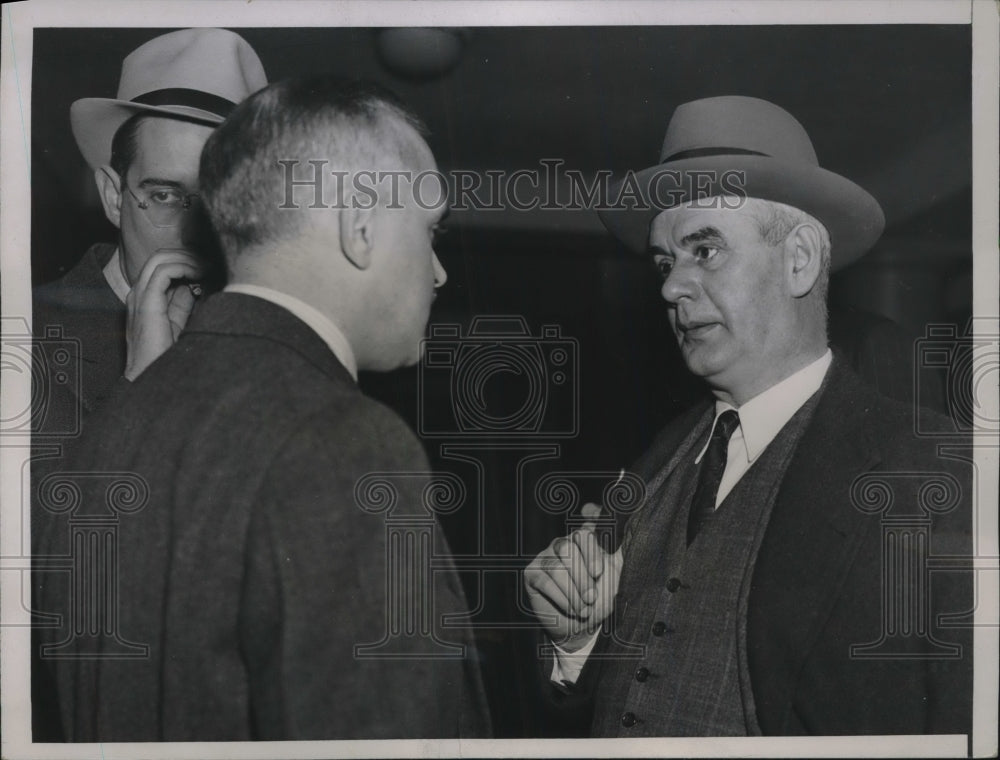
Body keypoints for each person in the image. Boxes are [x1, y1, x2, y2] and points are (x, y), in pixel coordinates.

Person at [34, 75, 491, 742]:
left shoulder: (111, 429)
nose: (440, 272)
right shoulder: (343, 439)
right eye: (429, 231)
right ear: (360, 226)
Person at [524, 96, 972, 737]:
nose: (670, 287)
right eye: (663, 262)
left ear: (800, 261)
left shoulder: (931, 471)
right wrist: (579, 642)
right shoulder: (659, 461)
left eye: (704, 251)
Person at [32, 28, 267, 432]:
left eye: (218, 201)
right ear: (112, 196)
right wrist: (142, 387)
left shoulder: (265, 345)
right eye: (164, 195)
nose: (194, 234)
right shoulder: (28, 336)